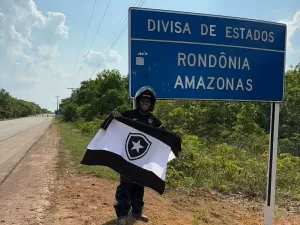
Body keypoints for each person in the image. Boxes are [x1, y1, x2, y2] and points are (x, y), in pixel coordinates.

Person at [111, 86, 164, 225]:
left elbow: (164, 136)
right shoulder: (128, 114)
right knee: (125, 186)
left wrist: (174, 139)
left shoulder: (154, 121)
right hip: (127, 158)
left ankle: (137, 212)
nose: (145, 103)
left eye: (148, 101)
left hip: (143, 160)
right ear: (139, 101)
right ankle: (122, 215)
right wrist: (115, 116)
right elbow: (114, 121)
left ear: (151, 104)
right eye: (143, 100)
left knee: (139, 185)